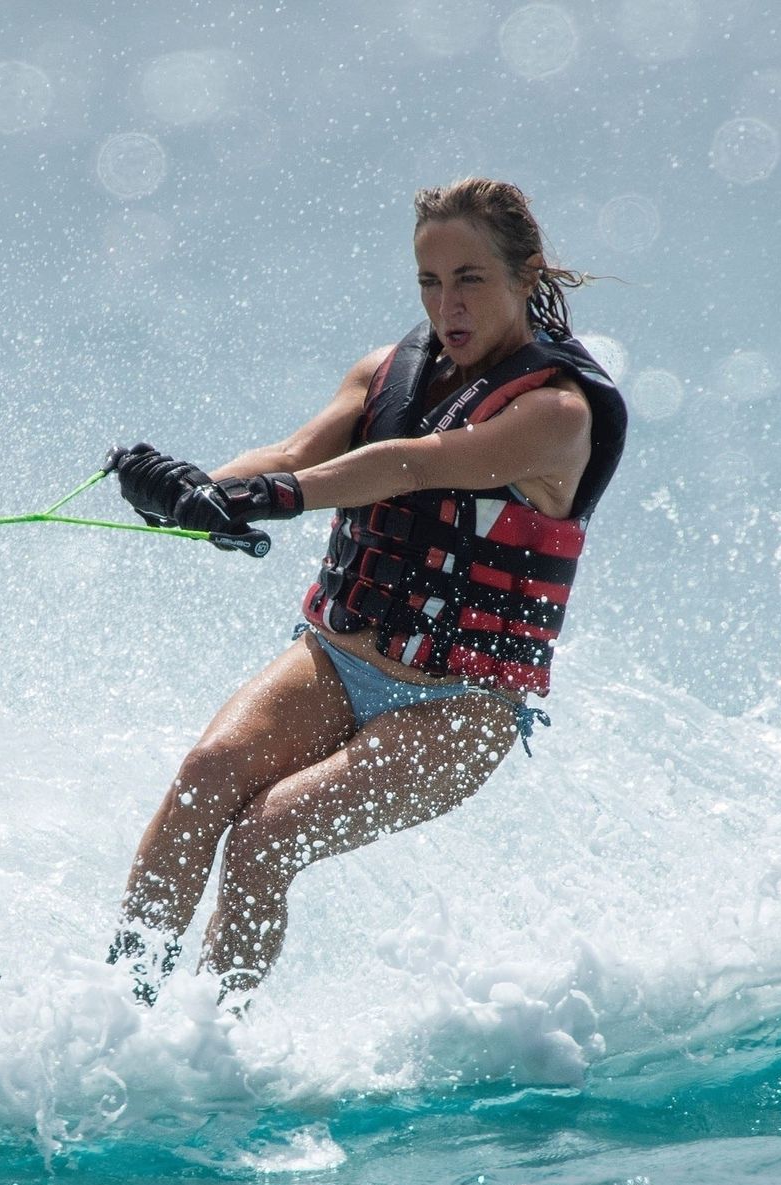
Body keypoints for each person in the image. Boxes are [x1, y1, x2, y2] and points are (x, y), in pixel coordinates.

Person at [100, 176, 630, 1009]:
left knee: (266, 835)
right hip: (337, 661)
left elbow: (414, 464)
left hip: (460, 708)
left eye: (470, 280)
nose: (445, 304)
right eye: (428, 281)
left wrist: (267, 499)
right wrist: (192, 490)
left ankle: (208, 1039)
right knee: (208, 775)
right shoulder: (386, 372)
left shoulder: (557, 415)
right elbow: (293, 452)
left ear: (528, 278)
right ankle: (118, 1011)